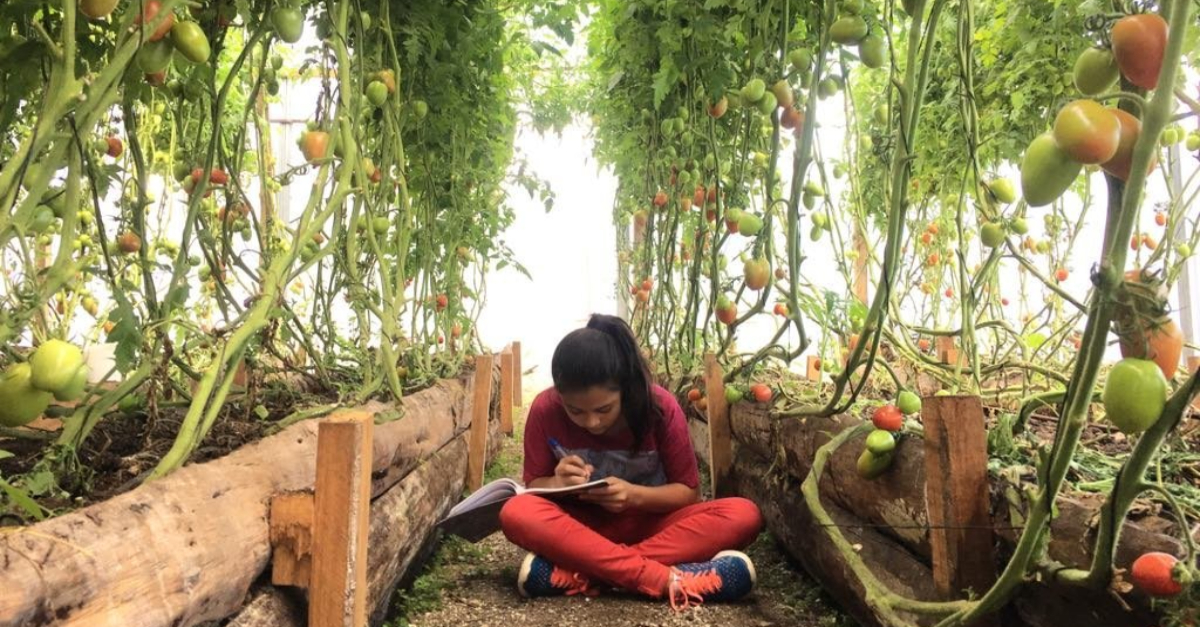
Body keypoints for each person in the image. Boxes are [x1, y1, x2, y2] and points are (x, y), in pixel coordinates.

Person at [499, 313, 764, 611]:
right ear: (559, 396)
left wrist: (633, 495)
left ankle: (584, 574)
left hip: (652, 527)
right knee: (515, 511)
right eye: (575, 411)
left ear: (625, 390)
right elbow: (534, 486)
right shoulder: (545, 410)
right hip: (580, 530)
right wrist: (557, 482)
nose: (591, 422)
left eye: (604, 409)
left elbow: (689, 494)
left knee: (743, 514)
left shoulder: (660, 408)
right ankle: (666, 578)